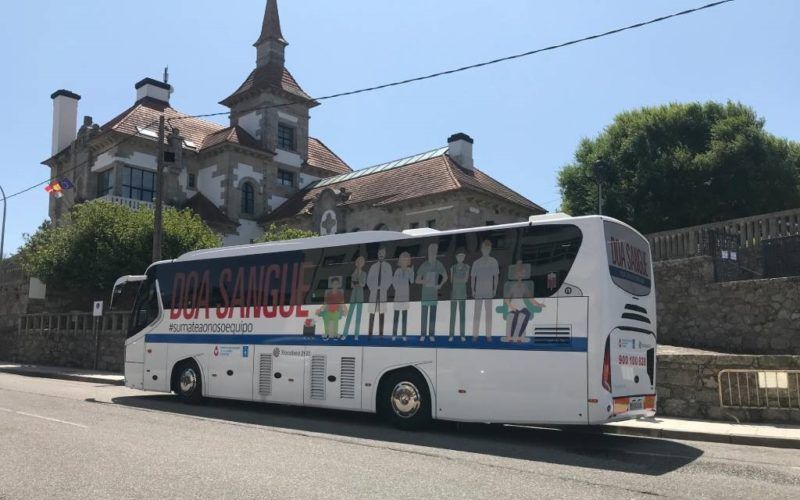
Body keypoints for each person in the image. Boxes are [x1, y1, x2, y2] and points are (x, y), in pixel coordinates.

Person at [416, 242, 447, 341]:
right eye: (431, 251)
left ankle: (431, 335)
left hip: (434, 295)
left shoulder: (439, 264)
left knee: (432, 316)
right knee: (424, 316)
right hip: (425, 295)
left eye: (434, 251)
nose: (432, 253)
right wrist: (425, 281)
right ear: (428, 252)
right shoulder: (424, 265)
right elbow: (417, 280)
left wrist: (440, 285)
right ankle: (423, 334)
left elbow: (445, 276)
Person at [471, 239, 499, 342]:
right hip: (478, 291)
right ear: (481, 249)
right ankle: (475, 335)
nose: (486, 250)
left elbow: (496, 277)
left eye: (488, 248)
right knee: (477, 314)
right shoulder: (476, 263)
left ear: (490, 249)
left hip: (488, 291)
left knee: (488, 314)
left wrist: (494, 289)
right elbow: (473, 278)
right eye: (484, 248)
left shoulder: (494, 261)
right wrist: (473, 290)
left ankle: (488, 335)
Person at [366, 247, 392, 339]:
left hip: (382, 293)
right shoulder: (373, 266)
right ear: (377, 254)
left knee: (382, 314)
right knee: (371, 314)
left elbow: (390, 279)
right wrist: (374, 287)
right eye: (380, 253)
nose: (381, 254)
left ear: (385, 255)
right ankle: (369, 334)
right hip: (374, 293)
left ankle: (381, 334)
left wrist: (383, 287)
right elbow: (369, 280)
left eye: (383, 253)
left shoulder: (388, 266)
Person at [391, 252, 415, 341]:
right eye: (403, 260)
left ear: (408, 261)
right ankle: (394, 334)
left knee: (404, 317)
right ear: (400, 261)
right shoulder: (397, 271)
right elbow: (394, 282)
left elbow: (412, 281)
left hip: (405, 297)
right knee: (396, 317)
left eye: (406, 260)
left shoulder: (409, 270)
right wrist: (398, 288)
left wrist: (412, 272)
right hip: (398, 296)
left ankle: (404, 335)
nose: (404, 261)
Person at [342, 255, 366, 339]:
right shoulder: (353, 273)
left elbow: (363, 284)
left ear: (363, 264)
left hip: (360, 296)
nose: (359, 263)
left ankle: (356, 335)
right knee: (349, 315)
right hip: (353, 295)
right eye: (358, 262)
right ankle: (345, 334)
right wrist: (356, 283)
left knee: (358, 317)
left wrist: (357, 282)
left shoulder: (364, 273)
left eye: (361, 262)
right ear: (356, 263)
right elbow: (351, 285)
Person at [449, 248, 469, 342]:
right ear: (456, 257)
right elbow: (452, 281)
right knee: (452, 315)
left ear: (464, 257)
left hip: (462, 294)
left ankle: (462, 334)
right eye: (458, 256)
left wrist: (459, 279)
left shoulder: (466, 267)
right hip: (454, 294)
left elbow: (465, 280)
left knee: (462, 316)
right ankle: (451, 334)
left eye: (462, 256)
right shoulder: (453, 267)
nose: (460, 258)